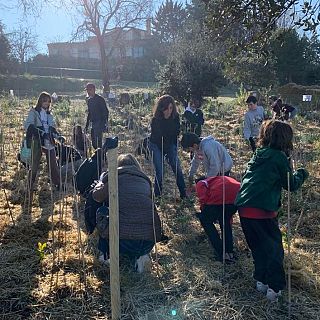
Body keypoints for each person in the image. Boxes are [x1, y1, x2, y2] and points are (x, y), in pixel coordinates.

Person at [235, 120, 309, 301]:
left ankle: (261, 280)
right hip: (263, 210)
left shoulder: (258, 154)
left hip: (244, 208)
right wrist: (302, 173)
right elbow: (290, 184)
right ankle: (274, 289)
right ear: (285, 139)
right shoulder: (278, 157)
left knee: (258, 248)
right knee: (274, 250)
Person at [92, 153, 162, 272]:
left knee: (102, 211)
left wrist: (99, 184)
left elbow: (96, 197)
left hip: (120, 241)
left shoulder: (114, 178)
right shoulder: (146, 182)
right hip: (148, 241)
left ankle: (106, 255)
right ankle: (141, 256)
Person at [24, 91, 64, 189]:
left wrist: (58, 137)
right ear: (40, 101)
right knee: (34, 165)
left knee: (53, 165)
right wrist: (41, 133)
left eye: (49, 101)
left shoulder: (49, 114)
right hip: (37, 141)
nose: (47, 103)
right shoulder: (34, 112)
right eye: (45, 101)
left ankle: (58, 184)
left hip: (49, 141)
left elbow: (52, 128)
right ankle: (29, 185)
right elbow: (28, 125)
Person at [195, 176, 240, 263]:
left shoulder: (202, 182)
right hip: (236, 196)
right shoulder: (217, 180)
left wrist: (203, 211)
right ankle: (229, 252)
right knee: (225, 222)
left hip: (220, 197)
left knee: (205, 221)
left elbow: (203, 199)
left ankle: (221, 253)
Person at [149, 95, 187, 198]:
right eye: (166, 108)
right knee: (160, 171)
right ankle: (157, 196)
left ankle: (184, 194)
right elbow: (157, 137)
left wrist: (173, 149)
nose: (168, 111)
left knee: (177, 167)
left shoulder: (175, 118)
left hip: (170, 144)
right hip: (156, 145)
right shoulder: (155, 120)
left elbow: (176, 133)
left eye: (171, 108)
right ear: (161, 108)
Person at [85, 83, 109, 149]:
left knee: (98, 144)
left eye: (90, 90)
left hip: (100, 123)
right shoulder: (89, 101)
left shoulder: (100, 99)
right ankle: (99, 156)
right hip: (93, 123)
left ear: (94, 90)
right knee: (94, 144)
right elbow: (89, 113)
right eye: (87, 90)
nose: (88, 91)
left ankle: (101, 157)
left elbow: (106, 112)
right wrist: (86, 126)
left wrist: (104, 124)